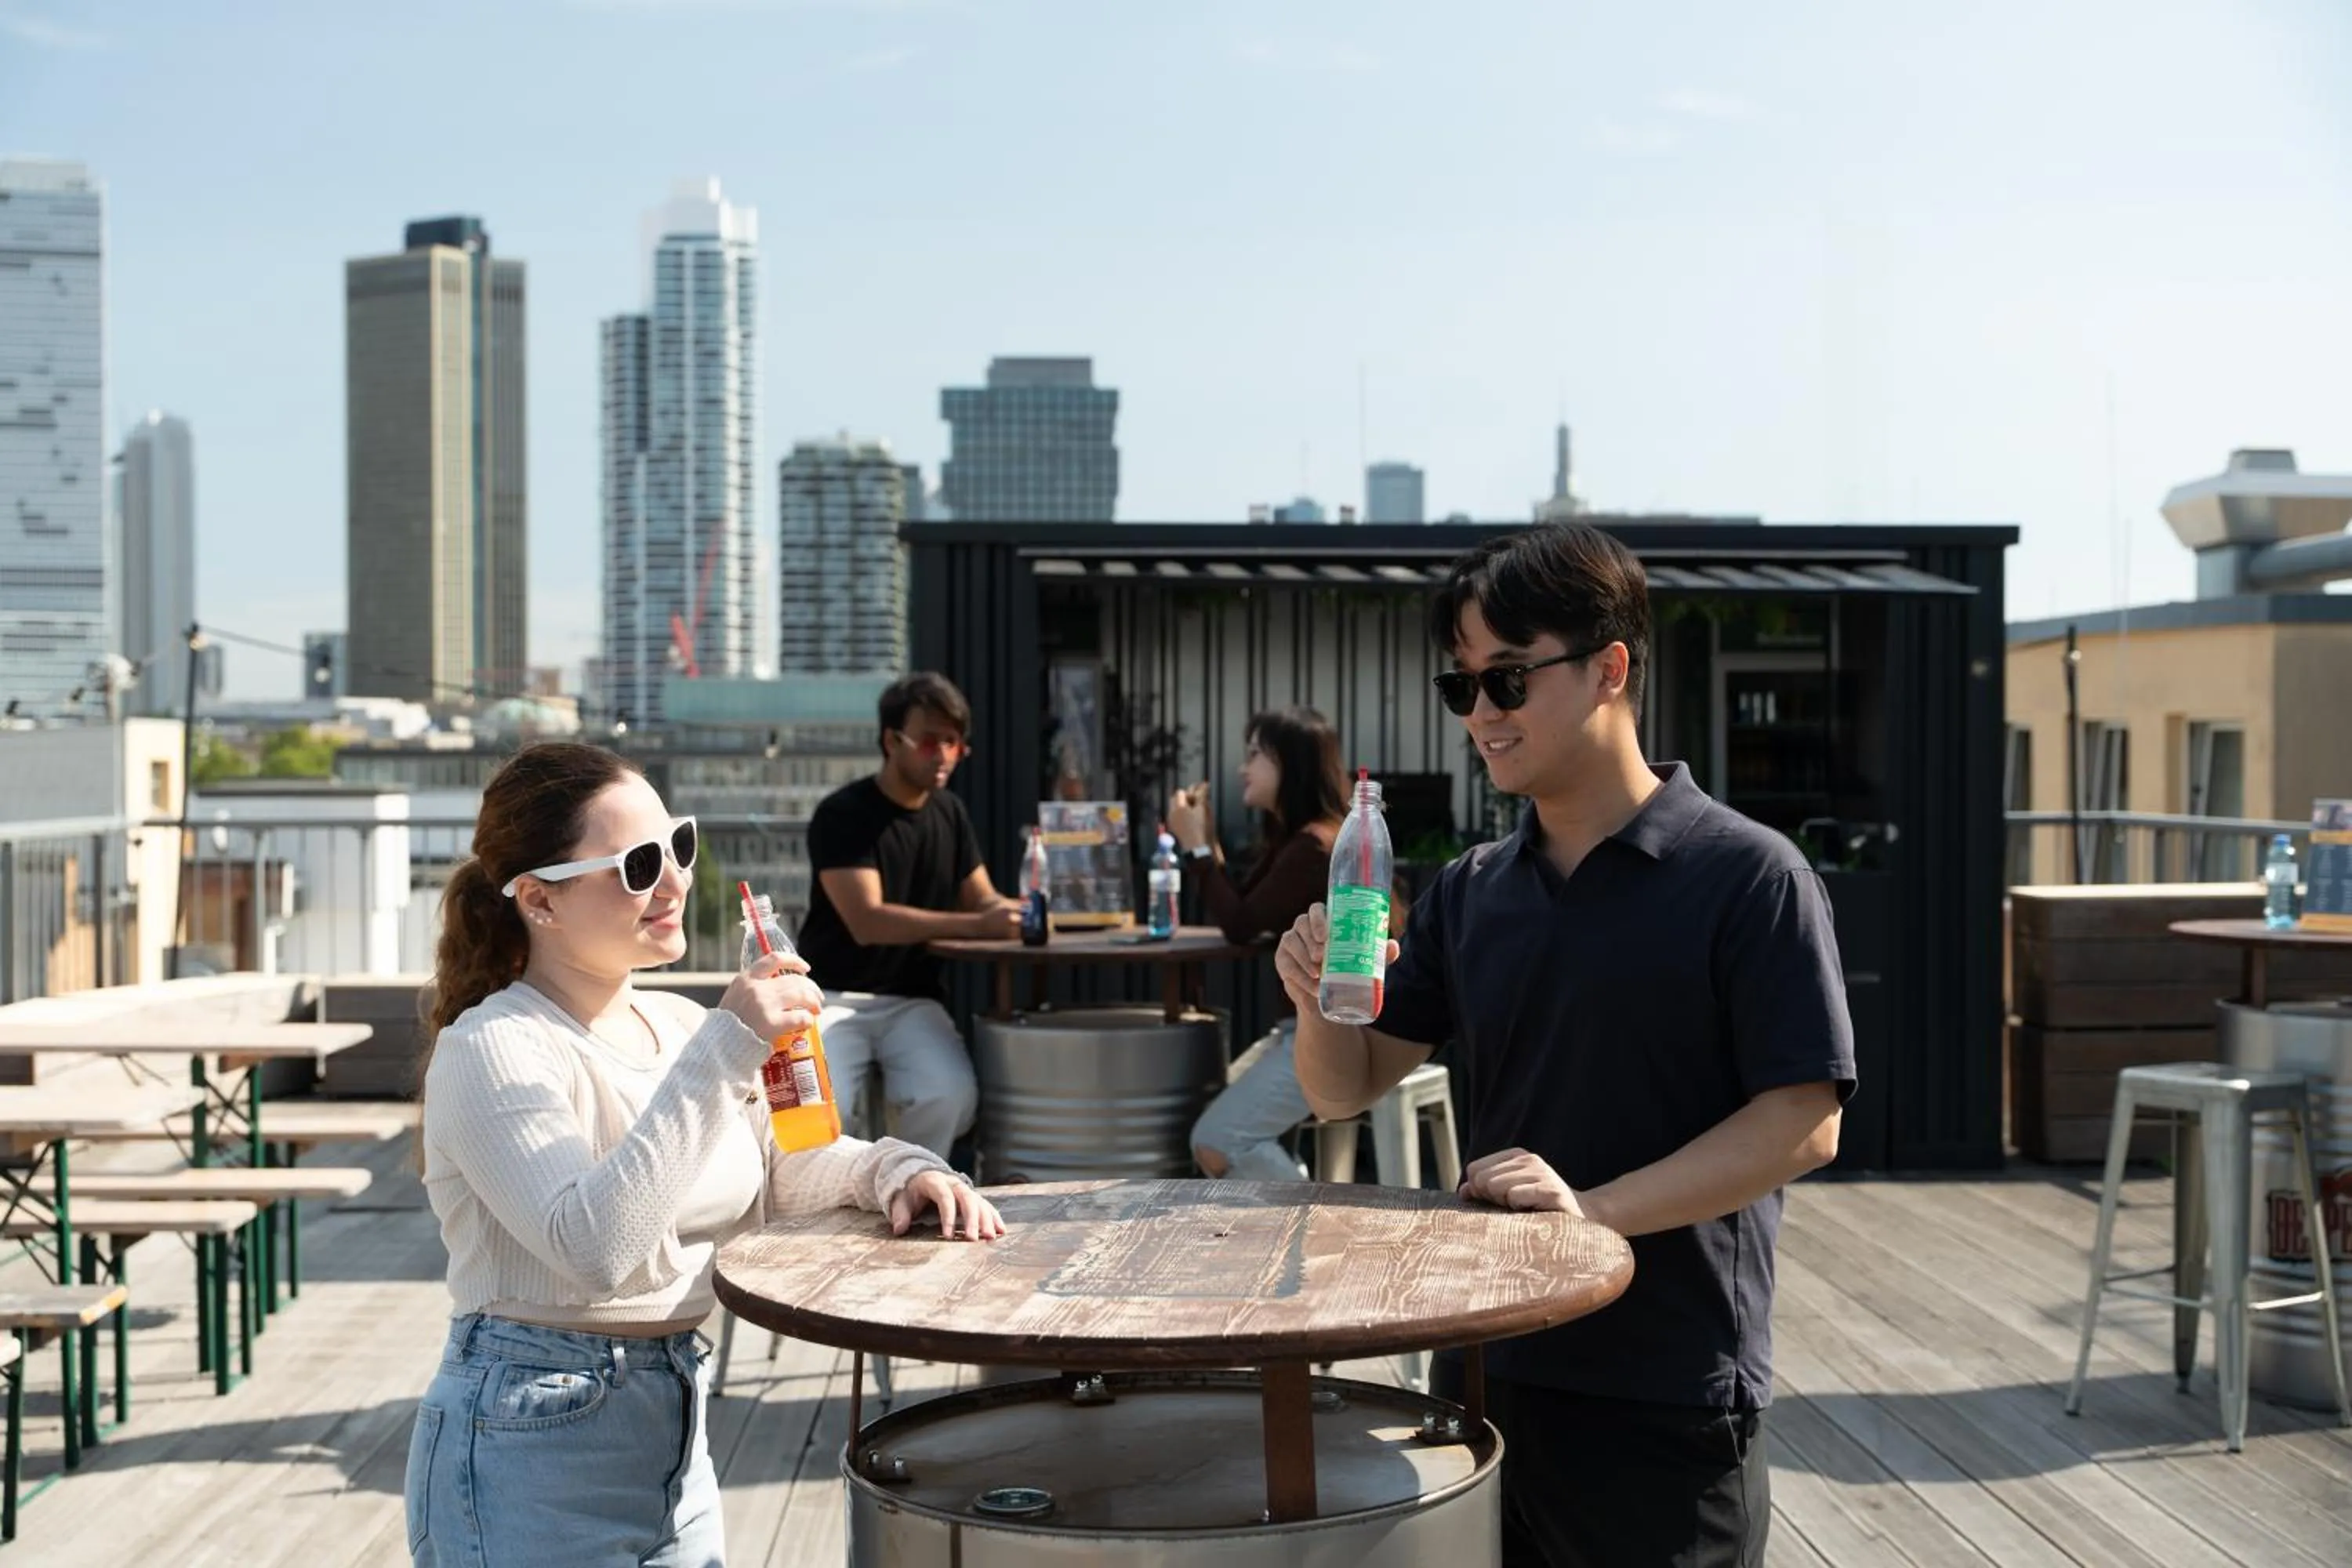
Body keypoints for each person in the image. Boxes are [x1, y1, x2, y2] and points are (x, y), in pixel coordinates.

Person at [1276, 523, 1853, 1568]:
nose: (1481, 715)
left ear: (1609, 668)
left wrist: (1589, 1212)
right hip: (1485, 1371)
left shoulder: (1751, 876)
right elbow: (1342, 1090)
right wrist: (1319, 1002)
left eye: (1507, 679)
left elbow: (1804, 1122)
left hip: (1666, 1387)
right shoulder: (1473, 889)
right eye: (1461, 688)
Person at [405, 741, 1003, 1566]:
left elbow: (776, 1169)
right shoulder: (492, 1046)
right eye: (638, 865)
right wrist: (729, 1047)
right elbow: (593, 1247)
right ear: (540, 899)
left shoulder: (681, 1026)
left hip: (676, 1419)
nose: (676, 882)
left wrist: (895, 1170)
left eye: (678, 845)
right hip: (527, 1433)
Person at [794, 672, 1019, 1159]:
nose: (943, 755)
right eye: (930, 742)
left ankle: (913, 1186)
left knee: (948, 1096)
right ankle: (838, 1195)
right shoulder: (843, 813)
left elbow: (982, 899)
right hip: (831, 996)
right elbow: (867, 921)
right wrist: (981, 924)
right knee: (822, 1108)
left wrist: (1030, 910)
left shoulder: (950, 813)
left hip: (912, 1000)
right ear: (891, 741)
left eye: (954, 743)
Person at [1167, 706, 1347, 1181]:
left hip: (1333, 1034)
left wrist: (1196, 847)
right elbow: (1246, 908)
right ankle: (1295, 1197)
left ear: (1290, 765)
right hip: (1303, 1030)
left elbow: (1240, 924)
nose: (1241, 768)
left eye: (1254, 755)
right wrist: (1205, 842)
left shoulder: (1314, 846)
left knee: (1218, 1140)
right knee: (1221, 1111)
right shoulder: (1300, 839)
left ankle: (1313, 1216)